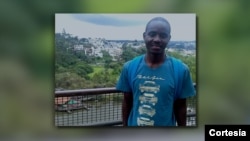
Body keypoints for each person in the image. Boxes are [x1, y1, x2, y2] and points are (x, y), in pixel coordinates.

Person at [116, 17, 196, 126]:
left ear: (169, 38)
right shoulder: (130, 67)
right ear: (144, 36)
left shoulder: (181, 70)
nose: (157, 39)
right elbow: (127, 101)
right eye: (152, 34)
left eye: (163, 35)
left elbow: (181, 106)